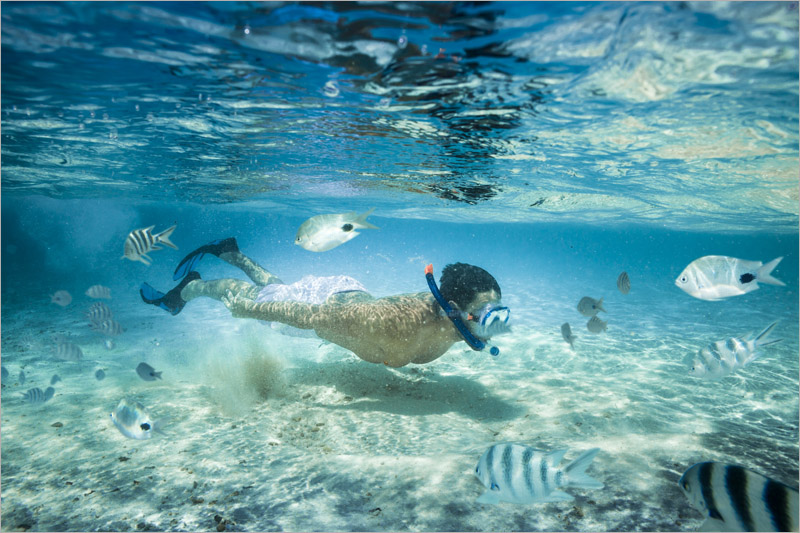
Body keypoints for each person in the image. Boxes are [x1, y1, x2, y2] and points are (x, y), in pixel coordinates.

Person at [140, 238, 510, 367]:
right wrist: (247, 311)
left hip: (346, 301)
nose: (496, 326)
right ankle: (189, 289)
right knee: (254, 301)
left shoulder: (454, 323)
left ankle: (232, 253)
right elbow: (310, 314)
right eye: (488, 314)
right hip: (328, 307)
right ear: (451, 307)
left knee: (279, 291)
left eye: (499, 313)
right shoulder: (388, 323)